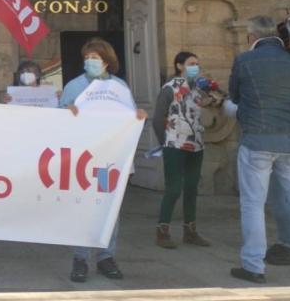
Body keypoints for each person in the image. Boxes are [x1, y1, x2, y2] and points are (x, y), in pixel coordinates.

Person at [227, 16, 290, 284]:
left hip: (257, 141)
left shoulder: (244, 60)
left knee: (253, 205)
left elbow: (235, 97)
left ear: (251, 37)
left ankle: (253, 266)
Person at [60, 37, 147, 283]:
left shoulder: (119, 87)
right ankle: (80, 258)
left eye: (95, 58)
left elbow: (129, 118)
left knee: (110, 208)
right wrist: (66, 112)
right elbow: (57, 118)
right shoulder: (74, 86)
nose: (90, 61)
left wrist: (138, 115)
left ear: (107, 61)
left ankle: (106, 257)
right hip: (83, 159)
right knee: (83, 207)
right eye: (87, 58)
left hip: (111, 159)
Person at [152, 51, 212, 248]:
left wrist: (213, 92)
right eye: (191, 63)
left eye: (197, 64)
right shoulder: (169, 88)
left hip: (196, 144)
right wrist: (165, 142)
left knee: (192, 187)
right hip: (174, 144)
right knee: (174, 188)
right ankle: (162, 231)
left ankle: (190, 231)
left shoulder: (197, 88)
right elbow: (158, 118)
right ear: (179, 65)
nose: (196, 67)